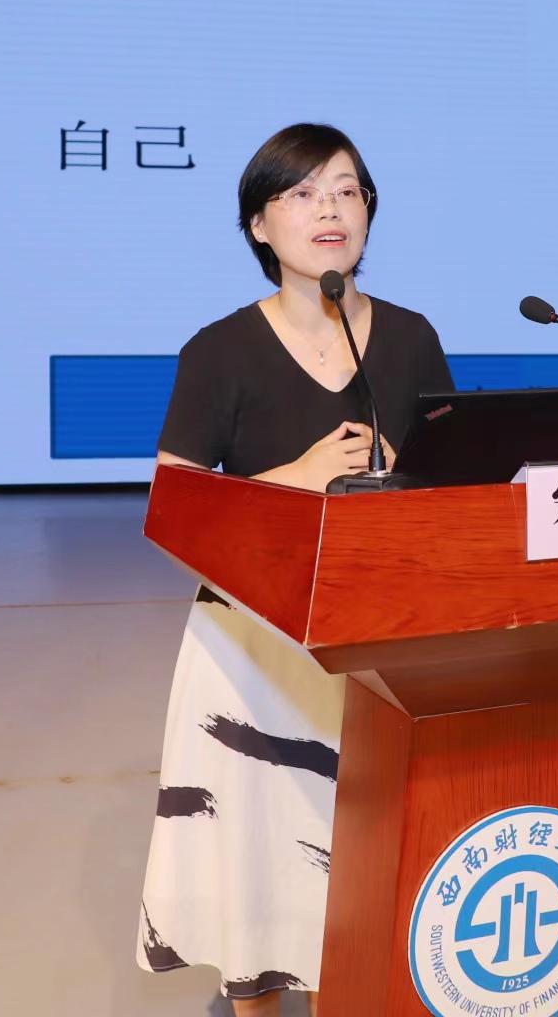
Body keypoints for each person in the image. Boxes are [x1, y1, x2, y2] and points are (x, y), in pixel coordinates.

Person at [135, 123, 453, 1014]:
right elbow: (174, 509)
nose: (330, 210)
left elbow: (453, 483)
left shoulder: (411, 337)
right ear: (258, 225)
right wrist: (299, 477)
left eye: (348, 191)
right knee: (261, 854)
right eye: (304, 193)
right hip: (256, 646)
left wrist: (413, 476)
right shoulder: (220, 351)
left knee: (370, 851)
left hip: (383, 635)